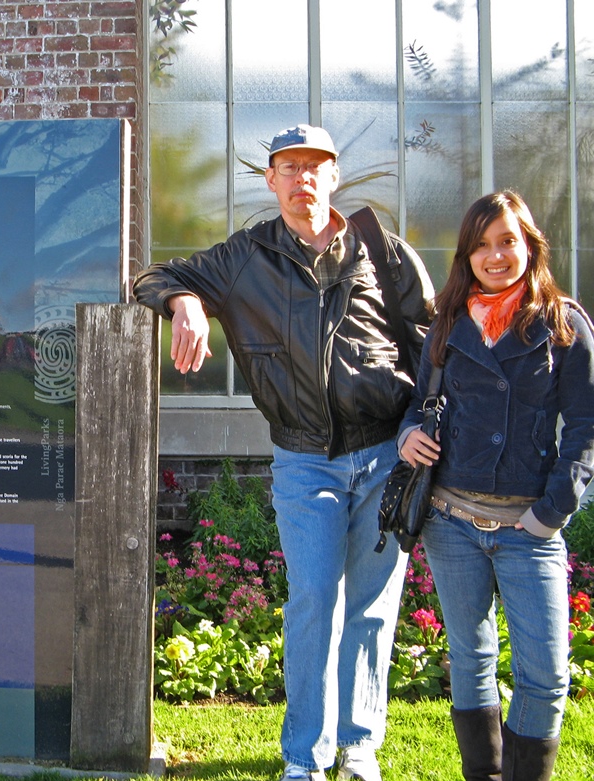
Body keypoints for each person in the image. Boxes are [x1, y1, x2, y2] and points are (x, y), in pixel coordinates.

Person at [133, 124, 434, 781]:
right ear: (270, 180)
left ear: (334, 178)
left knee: (373, 608)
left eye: (315, 168)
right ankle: (304, 754)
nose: (303, 181)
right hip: (304, 461)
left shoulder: (383, 251)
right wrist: (185, 301)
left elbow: (432, 346)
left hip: (387, 453)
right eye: (289, 168)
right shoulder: (246, 257)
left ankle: (359, 747)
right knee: (313, 598)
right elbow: (153, 276)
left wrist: (418, 423)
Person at [398, 191, 594, 781]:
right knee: (472, 658)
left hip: (527, 527)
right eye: (482, 244)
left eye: (507, 240)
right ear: (467, 255)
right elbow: (419, 404)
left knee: (546, 674)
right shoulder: (448, 323)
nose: (495, 255)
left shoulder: (564, 324)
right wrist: (409, 435)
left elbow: (586, 426)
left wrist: (552, 511)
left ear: (528, 245)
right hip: (450, 521)